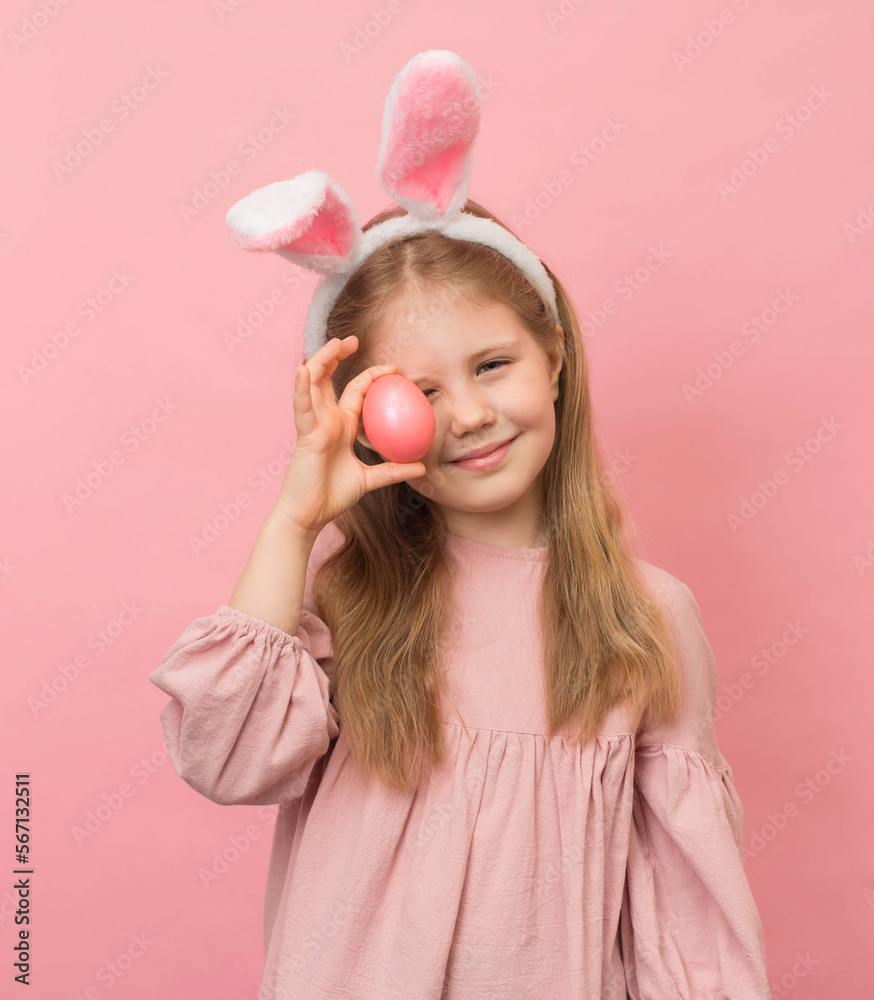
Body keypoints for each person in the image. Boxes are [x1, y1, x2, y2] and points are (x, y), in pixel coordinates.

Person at [148, 50, 771, 999]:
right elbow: (225, 758)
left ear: (553, 355)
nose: (469, 416)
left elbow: (683, 913)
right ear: (365, 420)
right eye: (421, 393)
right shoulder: (345, 594)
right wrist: (294, 518)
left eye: (491, 366)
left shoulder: (647, 618)